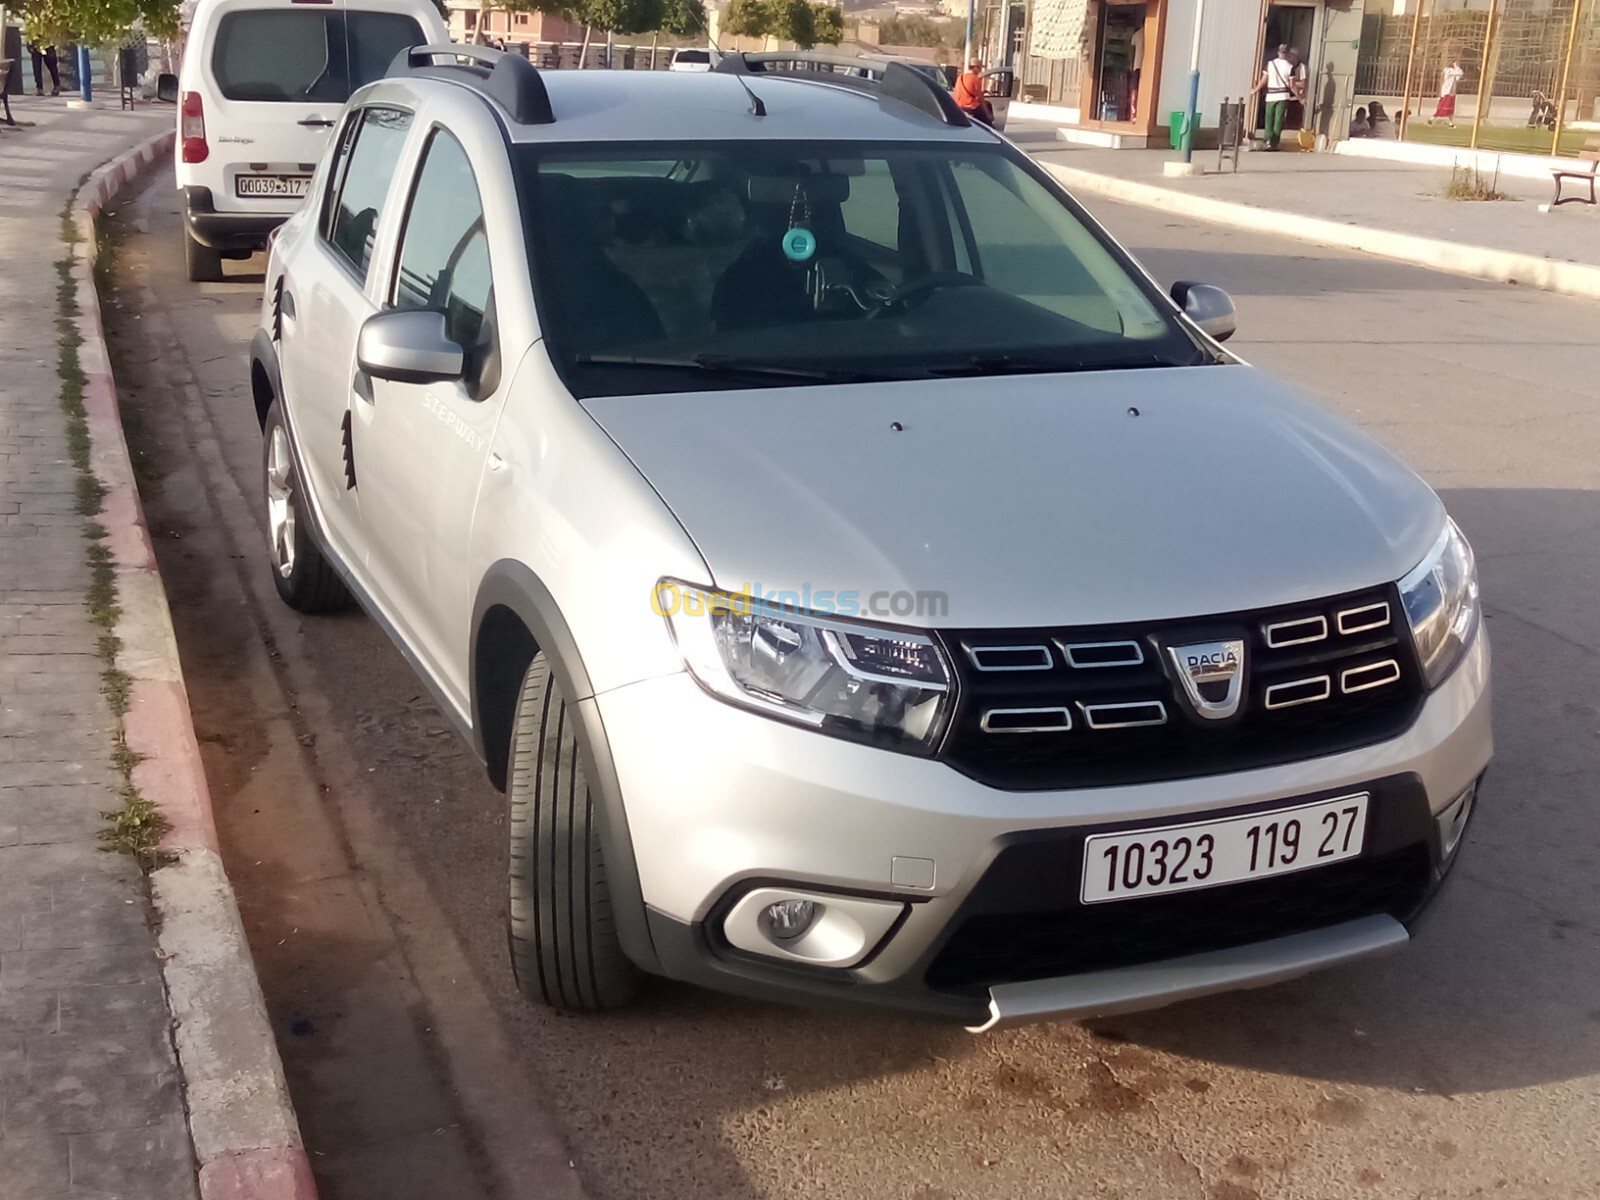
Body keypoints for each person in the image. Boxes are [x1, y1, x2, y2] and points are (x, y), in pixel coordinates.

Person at [1252, 44, 1300, 151]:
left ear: (1278, 52)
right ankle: (1274, 143)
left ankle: (1267, 140)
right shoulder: (1290, 67)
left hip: (1271, 95)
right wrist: (1299, 97)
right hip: (1283, 96)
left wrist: (1255, 90)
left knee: (1269, 118)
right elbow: (1292, 85)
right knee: (1278, 119)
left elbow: (1264, 80)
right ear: (1288, 54)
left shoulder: (1270, 64)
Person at [953, 57, 993, 125]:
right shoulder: (975, 79)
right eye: (980, 68)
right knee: (988, 125)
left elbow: (957, 93)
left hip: (960, 107)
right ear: (976, 68)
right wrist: (987, 113)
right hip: (972, 107)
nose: (980, 70)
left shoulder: (960, 77)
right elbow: (980, 98)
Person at [1432, 60, 1464, 127]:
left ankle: (1451, 123)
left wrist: (1456, 68)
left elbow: (1458, 77)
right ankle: (1432, 119)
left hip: (1451, 93)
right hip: (1447, 92)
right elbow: (1460, 73)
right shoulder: (1449, 71)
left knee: (1450, 109)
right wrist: (1456, 66)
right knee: (1442, 107)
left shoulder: (1453, 72)